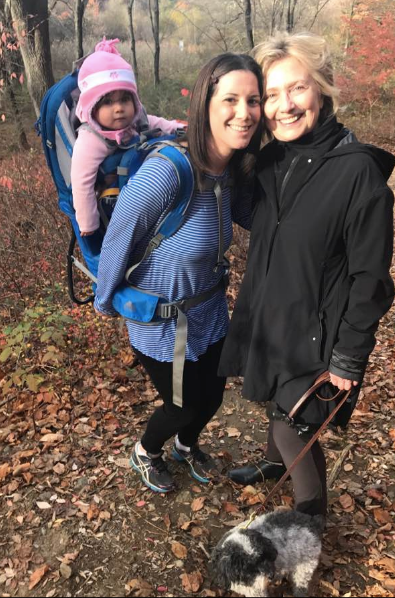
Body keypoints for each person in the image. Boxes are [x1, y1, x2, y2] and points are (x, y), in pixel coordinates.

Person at [220, 31, 395, 518]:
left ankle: (309, 524)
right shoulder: (274, 159)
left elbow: (371, 279)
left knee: (292, 424)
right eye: (271, 95)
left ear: (323, 88)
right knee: (275, 408)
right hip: (274, 316)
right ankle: (274, 466)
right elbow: (260, 216)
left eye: (297, 89)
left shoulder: (357, 174)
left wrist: (348, 358)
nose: (283, 106)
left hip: (318, 336)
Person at [94, 53, 263, 493]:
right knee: (181, 404)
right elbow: (119, 235)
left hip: (208, 311)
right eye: (231, 99)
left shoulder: (231, 171)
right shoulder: (170, 170)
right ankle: (145, 451)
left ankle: (186, 448)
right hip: (163, 322)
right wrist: (105, 298)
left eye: (254, 100)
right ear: (206, 103)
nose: (243, 113)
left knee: (213, 395)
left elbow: (258, 217)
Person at [72, 38, 183, 237]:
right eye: (107, 102)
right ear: (93, 107)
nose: (119, 108)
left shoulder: (137, 120)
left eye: (125, 99)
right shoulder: (90, 140)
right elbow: (81, 182)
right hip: (112, 210)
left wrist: (180, 129)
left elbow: (160, 124)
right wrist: (89, 223)